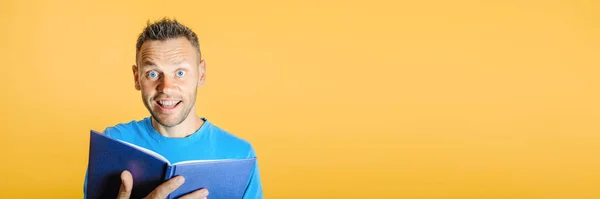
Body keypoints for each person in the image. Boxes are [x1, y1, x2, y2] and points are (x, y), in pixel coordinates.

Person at [83, 18, 263, 199]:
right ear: (137, 78)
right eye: (152, 74)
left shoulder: (239, 155)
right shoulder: (112, 144)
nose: (166, 87)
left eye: (180, 73)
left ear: (201, 74)